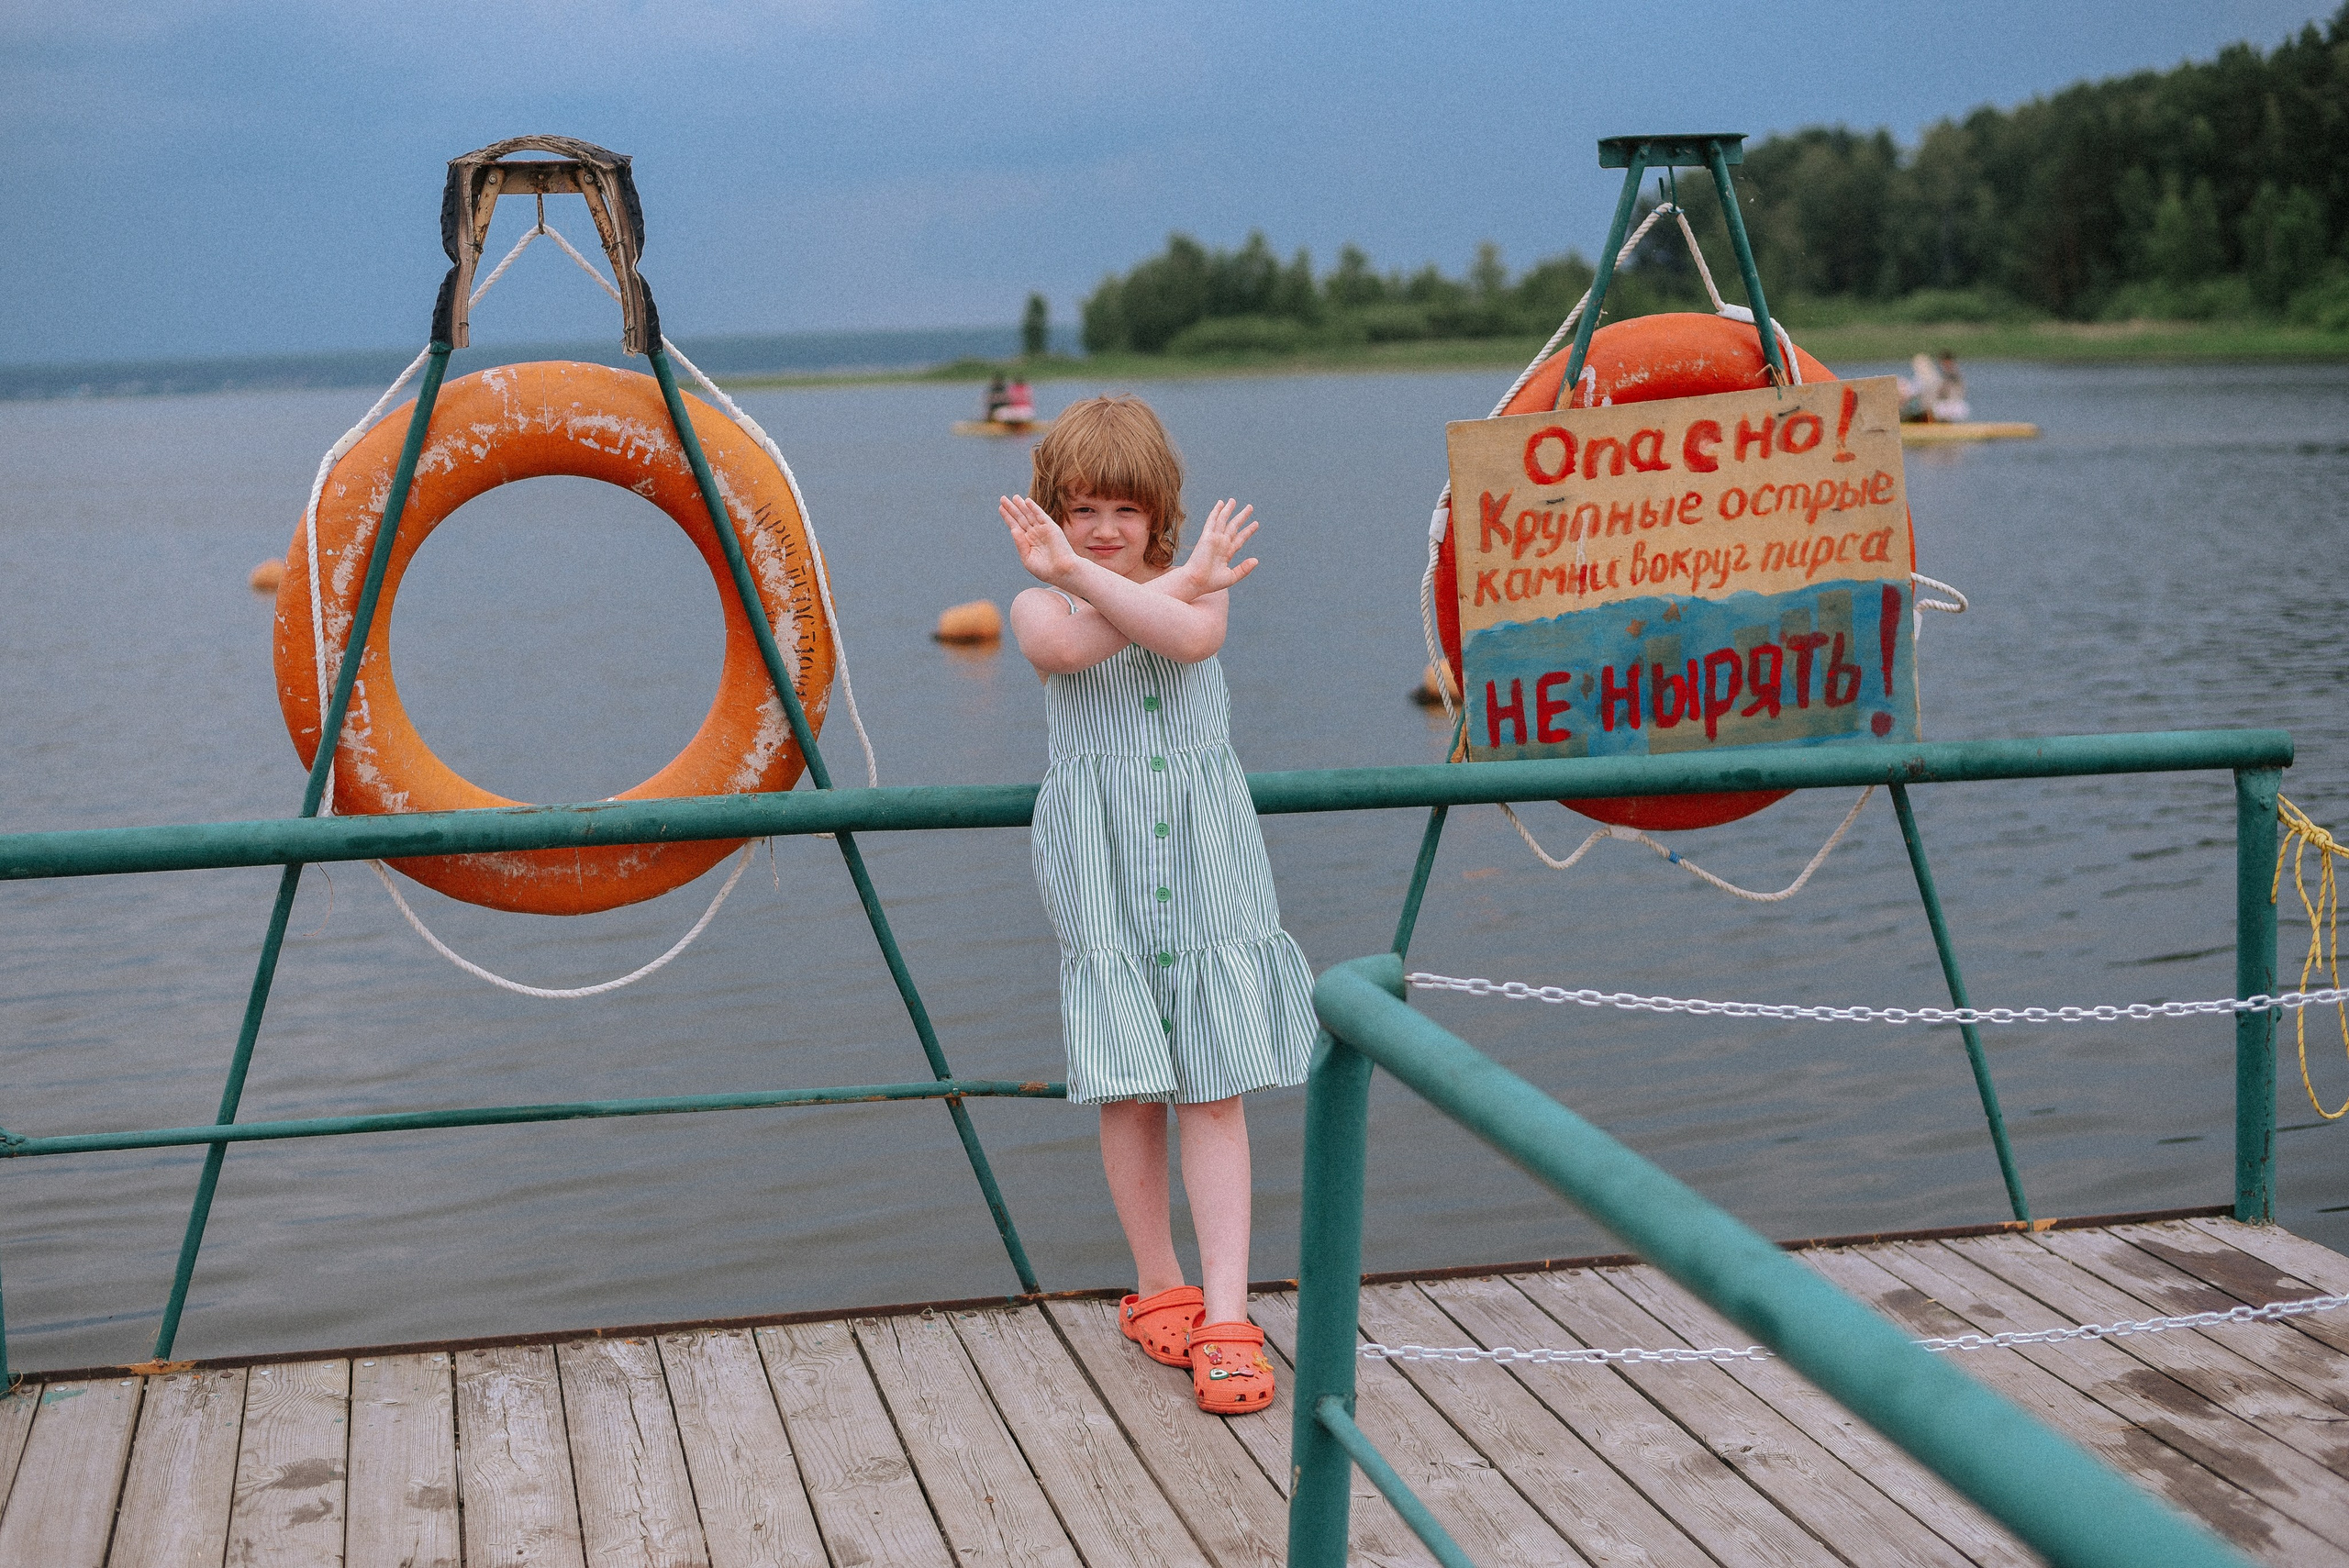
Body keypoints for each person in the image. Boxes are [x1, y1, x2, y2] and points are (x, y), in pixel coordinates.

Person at [999, 395, 1314, 1416]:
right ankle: (1157, 1283)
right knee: (1130, 1082)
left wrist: (1139, 574)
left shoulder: (1200, 594)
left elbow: (1182, 639)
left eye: (1124, 510)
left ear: (1158, 513)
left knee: (1212, 1086)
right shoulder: (1036, 606)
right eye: (1082, 509)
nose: (1102, 529)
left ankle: (1227, 1310)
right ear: (1054, 510)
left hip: (1205, 854)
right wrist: (1082, 575)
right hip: (1100, 865)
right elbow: (1068, 650)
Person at [1929, 350, 1969, 422]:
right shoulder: (1942, 374)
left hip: (1955, 404)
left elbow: (1957, 392)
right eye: (1943, 363)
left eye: (1947, 362)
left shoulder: (1954, 374)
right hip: (1944, 404)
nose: (1945, 365)